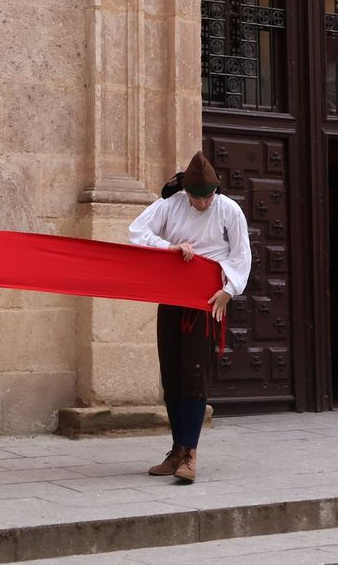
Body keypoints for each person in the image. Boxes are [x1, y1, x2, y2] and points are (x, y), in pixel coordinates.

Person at [128, 152, 251, 484]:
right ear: (187, 192)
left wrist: (229, 290)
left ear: (215, 190)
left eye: (208, 196)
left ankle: (190, 454)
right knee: (172, 372)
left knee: (194, 375)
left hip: (207, 301)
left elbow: (241, 254)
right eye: (197, 197)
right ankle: (177, 450)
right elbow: (137, 231)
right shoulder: (172, 204)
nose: (203, 203)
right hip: (172, 295)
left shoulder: (229, 210)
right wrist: (167, 247)